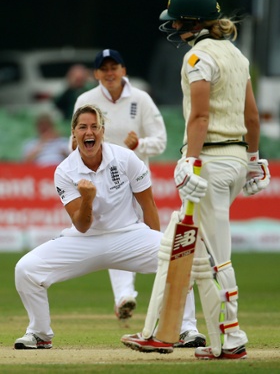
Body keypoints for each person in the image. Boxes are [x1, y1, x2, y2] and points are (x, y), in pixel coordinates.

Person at [121, 0, 271, 359]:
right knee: (173, 247)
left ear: (190, 22)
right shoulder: (236, 55)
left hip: (210, 162)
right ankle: (156, 332)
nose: (173, 25)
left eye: (176, 19)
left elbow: (201, 115)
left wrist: (189, 158)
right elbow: (251, 116)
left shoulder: (197, 57)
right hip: (233, 160)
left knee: (216, 255)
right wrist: (253, 159)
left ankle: (232, 337)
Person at [72, 49, 205, 347]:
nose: (109, 73)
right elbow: (75, 142)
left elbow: (160, 139)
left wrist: (140, 143)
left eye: (114, 67)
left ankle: (184, 324)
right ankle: (124, 296)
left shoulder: (140, 99)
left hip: (136, 180)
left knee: (160, 246)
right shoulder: (86, 102)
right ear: (96, 74)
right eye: (103, 68)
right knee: (113, 237)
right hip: (101, 183)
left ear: (123, 69)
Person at [13, 104, 163, 349]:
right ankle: (40, 333)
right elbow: (82, 225)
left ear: (102, 131)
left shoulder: (126, 158)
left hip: (129, 235)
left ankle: (185, 329)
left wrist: (159, 246)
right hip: (85, 240)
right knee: (25, 270)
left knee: (178, 257)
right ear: (74, 133)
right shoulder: (64, 170)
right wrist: (87, 199)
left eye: (94, 126)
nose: (88, 132)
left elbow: (149, 207)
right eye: (82, 127)